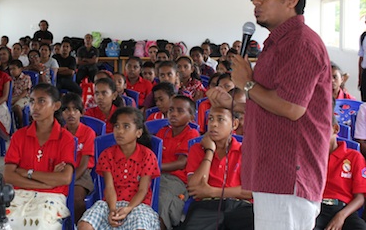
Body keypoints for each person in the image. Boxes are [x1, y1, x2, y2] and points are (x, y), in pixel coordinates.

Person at [207, 0, 332, 229]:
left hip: (288, 176)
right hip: (272, 171)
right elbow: (272, 102)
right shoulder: (278, 43)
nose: (256, 1)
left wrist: (247, 83)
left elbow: (291, 108)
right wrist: (233, 103)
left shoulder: (300, 43)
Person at [0, 84, 75, 230]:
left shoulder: (65, 138)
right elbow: (8, 176)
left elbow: (65, 178)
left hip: (52, 198)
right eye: (32, 101)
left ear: (56, 105)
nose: (35, 107)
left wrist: (27, 173)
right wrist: (46, 184)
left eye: (41, 101)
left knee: (40, 224)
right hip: (20, 194)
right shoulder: (19, 136)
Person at [78, 107, 160, 230]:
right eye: (117, 126)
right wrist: (112, 210)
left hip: (137, 205)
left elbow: (142, 190)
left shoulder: (147, 156)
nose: (120, 131)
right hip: (110, 203)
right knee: (84, 226)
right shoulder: (107, 155)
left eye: (126, 126)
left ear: (138, 132)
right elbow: (109, 187)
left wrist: (128, 209)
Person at [177, 107, 254, 230]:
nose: (213, 124)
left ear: (234, 124)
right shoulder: (197, 149)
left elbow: (251, 191)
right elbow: (194, 187)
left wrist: (212, 191)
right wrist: (209, 152)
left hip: (239, 206)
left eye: (220, 119)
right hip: (206, 205)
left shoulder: (245, 151)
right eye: (211, 119)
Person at [314, 114, 366, 230]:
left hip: (344, 210)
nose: (319, 134)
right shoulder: (312, 158)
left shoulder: (354, 157)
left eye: (323, 129)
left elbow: (360, 197)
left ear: (335, 129)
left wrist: (341, 216)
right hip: (317, 208)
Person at [155, 95, 199, 230]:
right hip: (157, 175)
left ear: (192, 117)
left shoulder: (191, 134)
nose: (174, 114)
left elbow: (182, 163)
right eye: (171, 110)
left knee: (162, 201)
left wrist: (155, 167)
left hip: (177, 180)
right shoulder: (163, 132)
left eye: (180, 111)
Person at [61, 93, 95, 224]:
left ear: (82, 112)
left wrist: (69, 181)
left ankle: (77, 224)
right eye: (66, 109)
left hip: (83, 173)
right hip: (64, 171)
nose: (71, 113)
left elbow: (84, 164)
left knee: (76, 198)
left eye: (75, 109)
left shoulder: (88, 133)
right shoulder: (60, 133)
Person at [9, 60, 32, 128]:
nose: (12, 71)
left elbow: (25, 92)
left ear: (20, 69)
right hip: (13, 98)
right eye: (10, 69)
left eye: (14, 69)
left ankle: (21, 125)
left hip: (24, 98)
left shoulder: (26, 78)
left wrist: (15, 100)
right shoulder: (10, 79)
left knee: (17, 107)